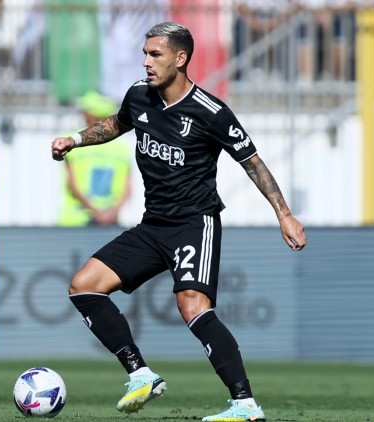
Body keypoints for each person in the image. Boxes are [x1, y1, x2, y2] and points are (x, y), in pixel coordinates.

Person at [51, 22, 306, 422]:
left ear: (180, 58)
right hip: (153, 225)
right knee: (84, 287)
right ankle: (141, 374)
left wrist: (284, 214)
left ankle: (245, 405)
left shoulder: (211, 112)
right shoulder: (139, 95)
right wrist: (76, 140)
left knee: (192, 306)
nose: (146, 62)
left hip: (194, 222)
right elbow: (116, 124)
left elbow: (252, 163)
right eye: (145, 53)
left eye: (155, 54)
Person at [58, 90, 132, 227]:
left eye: (86, 110)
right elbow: (128, 189)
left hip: (76, 221)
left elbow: (72, 183)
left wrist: (95, 212)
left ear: (91, 114)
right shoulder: (122, 148)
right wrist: (111, 214)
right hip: (110, 221)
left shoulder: (72, 141)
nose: (83, 113)